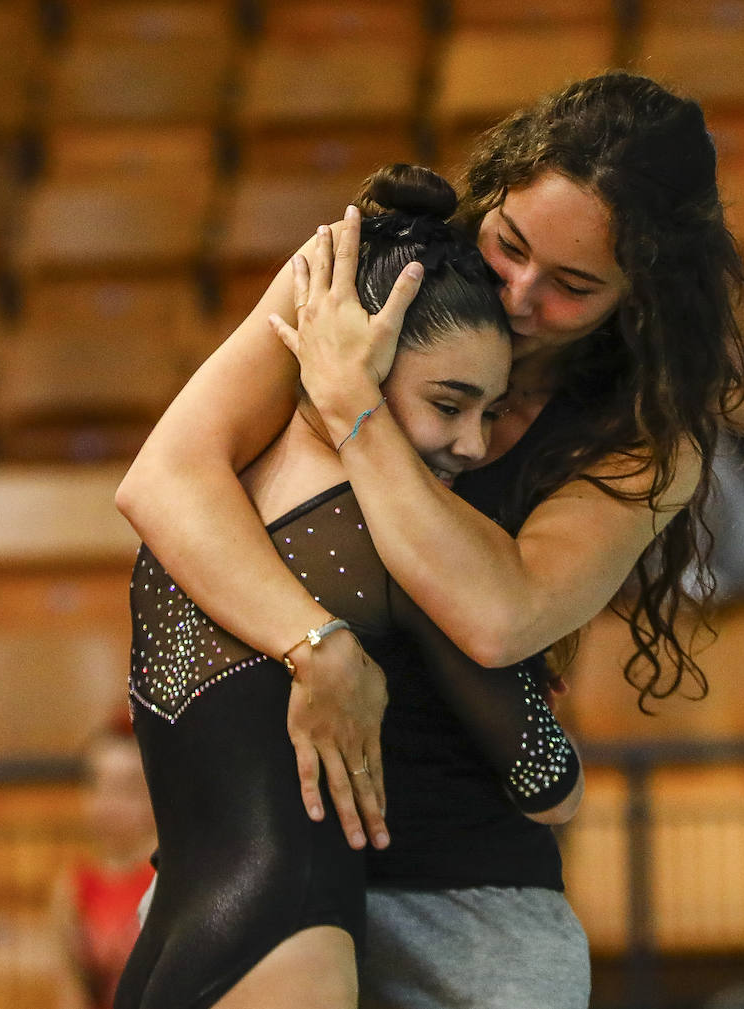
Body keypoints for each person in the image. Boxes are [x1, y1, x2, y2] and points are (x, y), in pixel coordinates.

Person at [114, 164, 583, 1009]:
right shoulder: (394, 542)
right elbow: (549, 781)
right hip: (290, 931)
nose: (474, 443)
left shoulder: (201, 518)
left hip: (166, 940)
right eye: (449, 403)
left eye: (492, 411)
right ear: (356, 362)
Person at [49, 720, 157, 1009]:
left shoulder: (173, 879)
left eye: (127, 789)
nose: (110, 804)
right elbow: (70, 994)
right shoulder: (73, 887)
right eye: (100, 786)